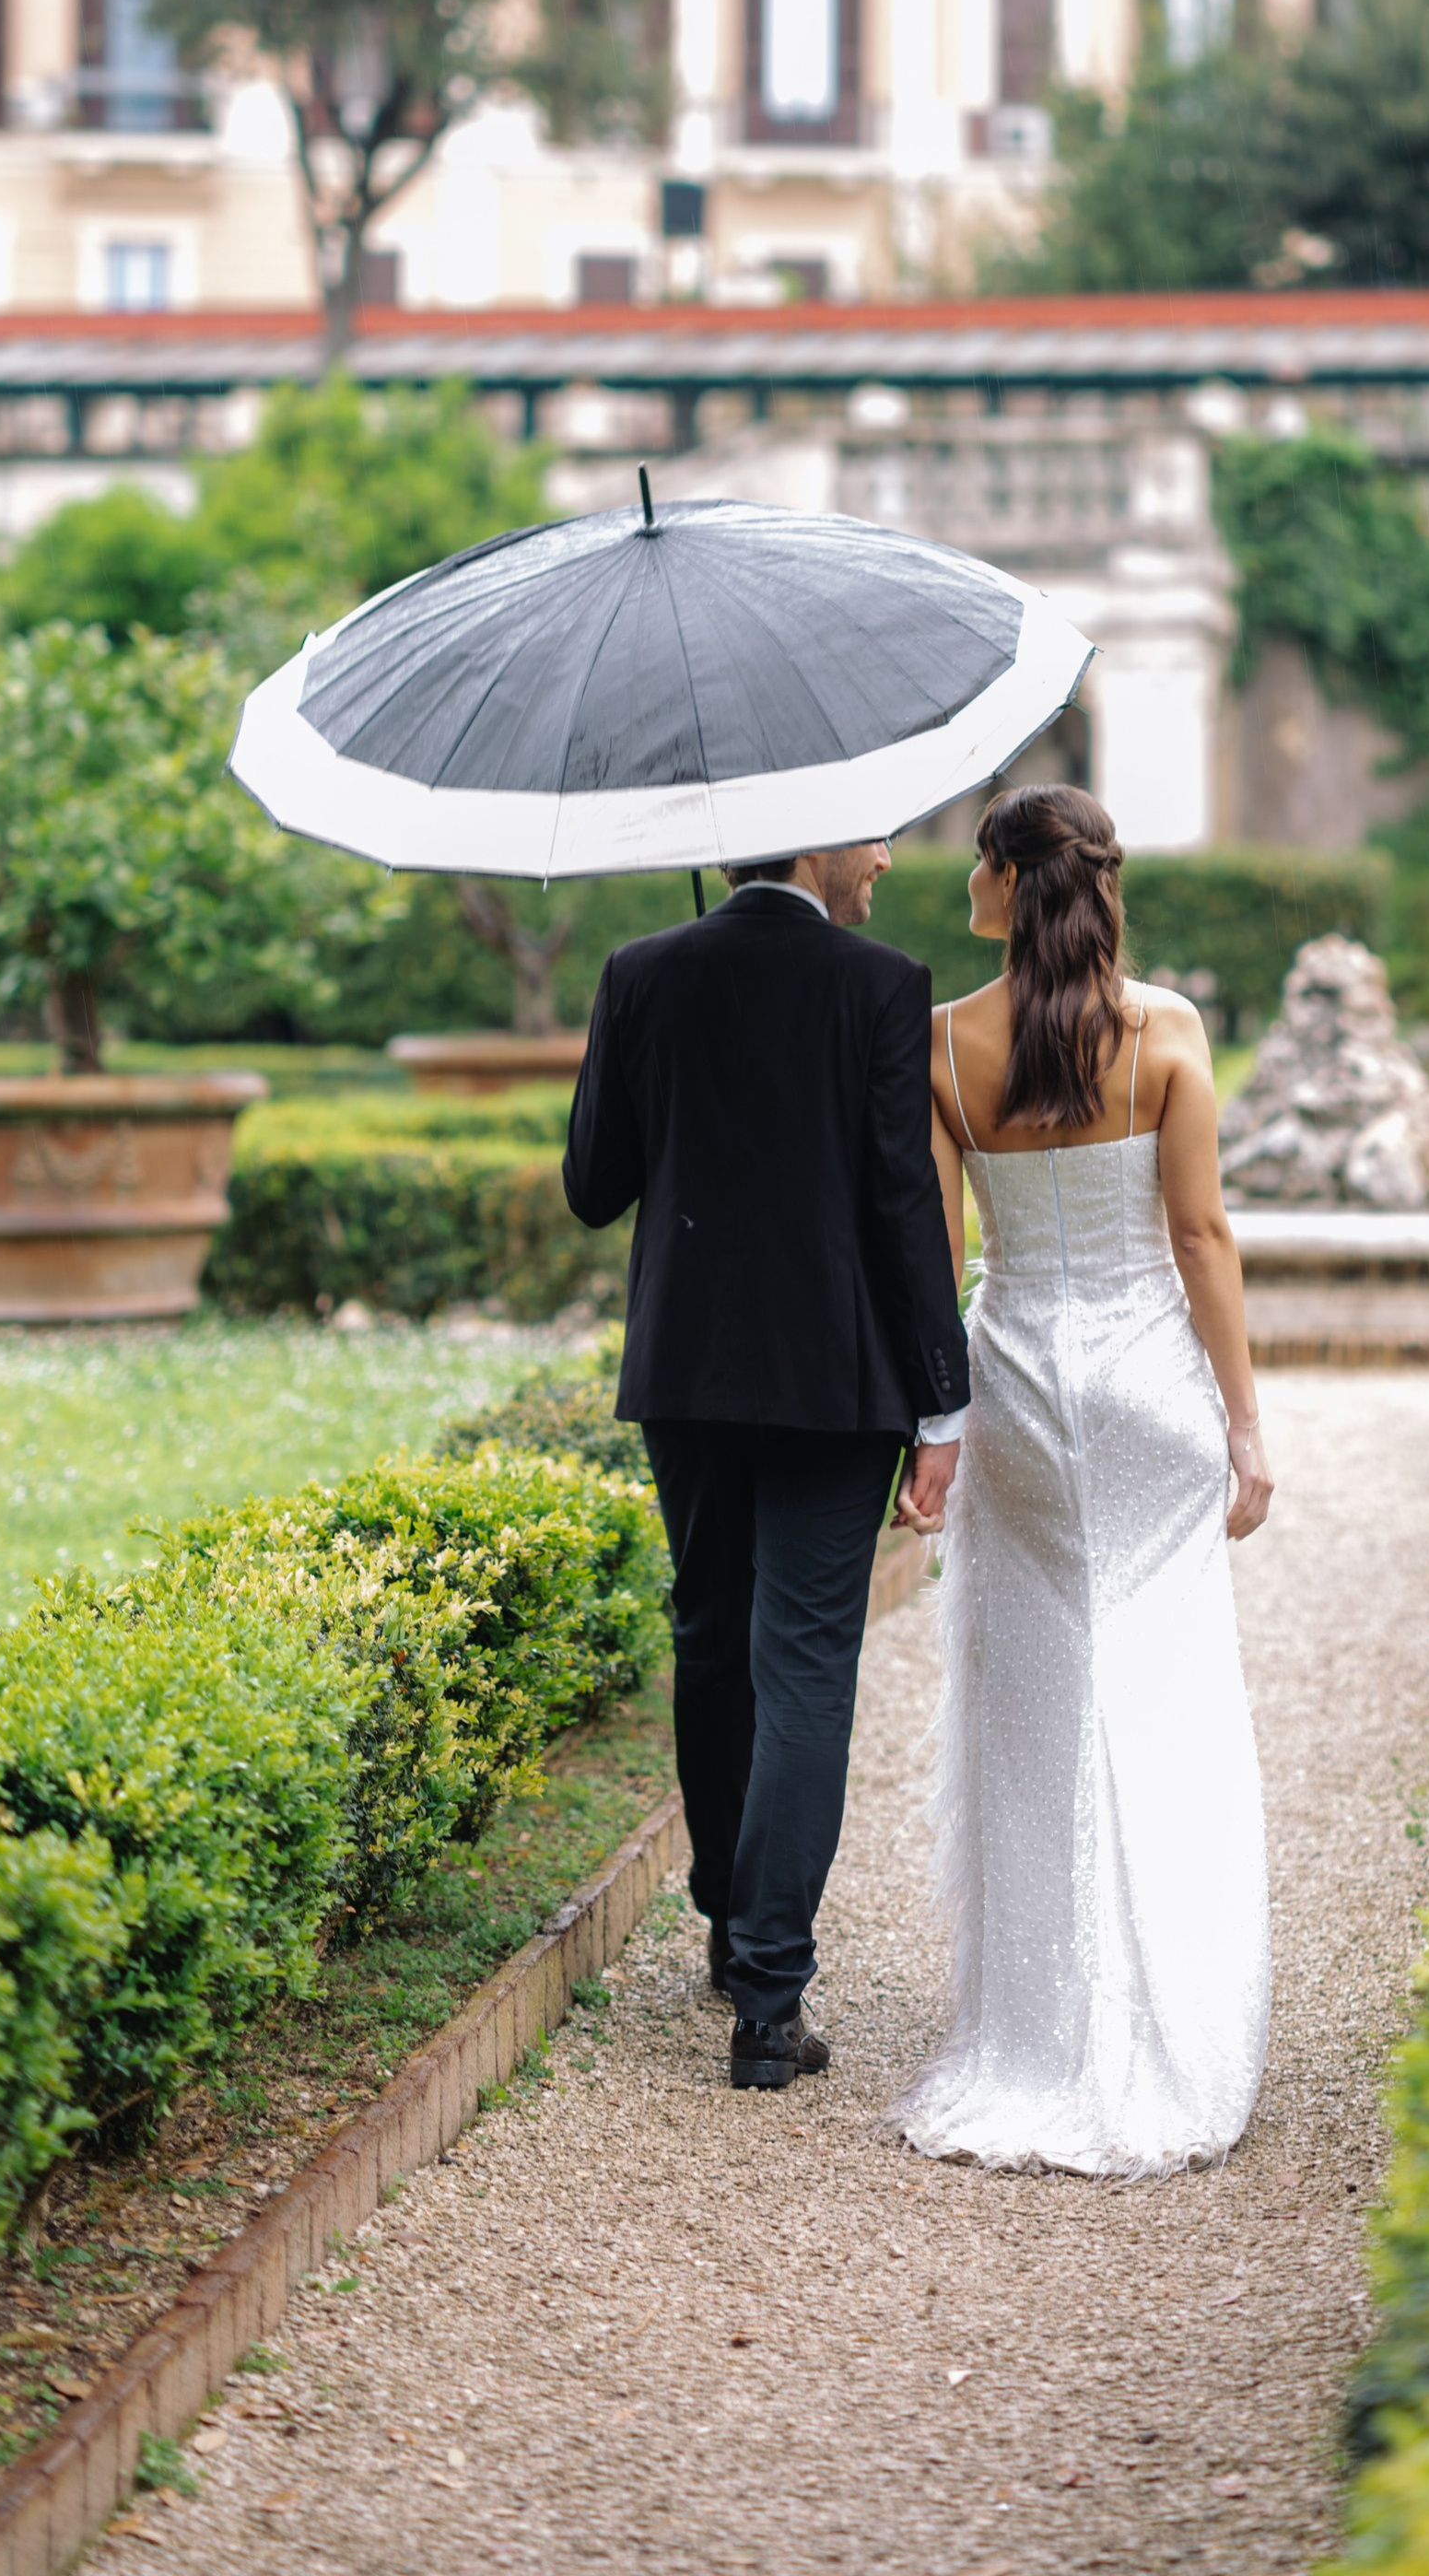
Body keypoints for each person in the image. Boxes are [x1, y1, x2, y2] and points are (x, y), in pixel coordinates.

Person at [895, 781, 1274, 2175]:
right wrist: (1243, 1426)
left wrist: (932, 1424)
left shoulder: (941, 1044)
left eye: (977, 867)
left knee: (1040, 1708)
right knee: (1169, 1692)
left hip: (1019, 1397)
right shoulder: (1164, 1031)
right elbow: (1202, 1239)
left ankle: (1044, 2027)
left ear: (1007, 879)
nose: (963, 889)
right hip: (1151, 1405)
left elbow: (940, 1263)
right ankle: (1182, 2009)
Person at [563, 838, 970, 2090]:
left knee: (709, 1633)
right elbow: (907, 1204)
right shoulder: (882, 985)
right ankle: (769, 1996)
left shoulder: (641, 971)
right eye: (873, 833)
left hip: (688, 1373)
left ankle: (729, 1928)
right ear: (810, 842)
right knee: (801, 1660)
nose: (889, 854)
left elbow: (593, 1185)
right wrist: (942, 1409)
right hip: (837, 1382)